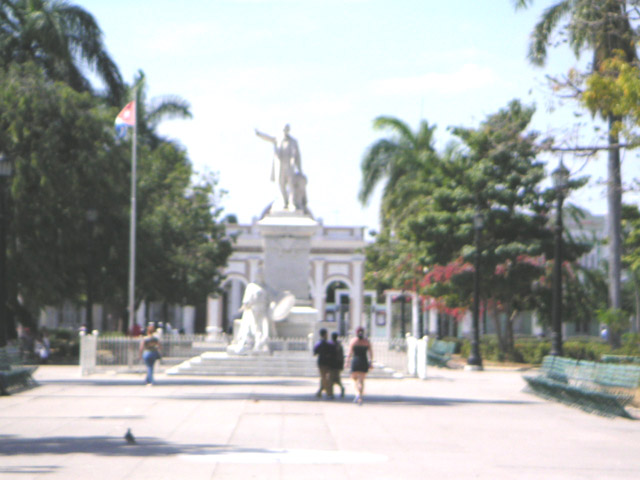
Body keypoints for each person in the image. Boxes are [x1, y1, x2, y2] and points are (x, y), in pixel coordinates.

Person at [255, 124, 307, 212]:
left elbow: (297, 155)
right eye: (284, 130)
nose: (285, 131)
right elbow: (268, 138)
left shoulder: (293, 141)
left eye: (286, 130)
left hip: (290, 167)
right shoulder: (278, 139)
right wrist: (259, 134)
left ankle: (292, 203)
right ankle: (284, 202)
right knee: (281, 184)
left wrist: (299, 168)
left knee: (291, 185)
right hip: (280, 167)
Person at [346, 326, 373, 405]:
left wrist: (347, 362)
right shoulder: (367, 342)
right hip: (363, 361)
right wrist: (370, 362)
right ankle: (360, 396)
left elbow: (350, 353)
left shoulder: (353, 341)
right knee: (361, 380)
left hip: (355, 361)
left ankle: (357, 393)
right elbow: (370, 353)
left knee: (354, 379)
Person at [313, 328, 336, 399]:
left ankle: (323, 392)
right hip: (329, 363)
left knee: (324, 378)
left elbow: (315, 353)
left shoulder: (318, 344)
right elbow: (334, 352)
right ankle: (329, 393)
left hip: (321, 363)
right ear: (326, 334)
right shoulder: (330, 344)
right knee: (328, 378)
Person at [330, 331, 346, 398]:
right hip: (338, 364)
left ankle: (332, 393)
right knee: (335, 378)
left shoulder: (332, 345)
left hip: (333, 364)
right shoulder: (339, 345)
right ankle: (340, 389)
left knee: (333, 379)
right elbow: (342, 355)